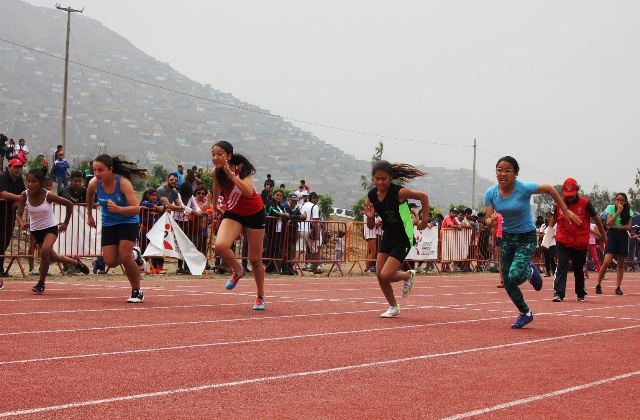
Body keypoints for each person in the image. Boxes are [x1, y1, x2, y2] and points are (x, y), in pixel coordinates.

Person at [484, 156, 580, 329]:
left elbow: (550, 189)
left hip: (526, 237)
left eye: (508, 170)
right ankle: (525, 313)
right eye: (499, 170)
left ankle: (529, 270)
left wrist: (564, 210)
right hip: (507, 238)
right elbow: (488, 219)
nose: (503, 174)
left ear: (516, 174)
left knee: (514, 275)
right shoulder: (491, 193)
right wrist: (490, 221)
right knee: (508, 281)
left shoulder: (523, 188)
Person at [362, 160, 430, 318]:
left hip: (403, 237)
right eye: (377, 178)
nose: (380, 182)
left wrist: (424, 219)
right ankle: (393, 306)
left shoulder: (399, 192)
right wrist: (371, 218)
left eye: (383, 179)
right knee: (379, 275)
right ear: (373, 178)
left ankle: (408, 275)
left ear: (390, 178)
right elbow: (371, 226)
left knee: (386, 275)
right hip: (388, 236)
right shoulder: (372, 195)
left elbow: (423, 197)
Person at [210, 140, 266, 310]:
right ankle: (238, 270)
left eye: (220, 154)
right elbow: (216, 186)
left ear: (229, 156)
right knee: (220, 246)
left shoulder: (241, 168)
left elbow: (249, 192)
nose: (216, 157)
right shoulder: (215, 172)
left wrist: (232, 175)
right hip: (234, 213)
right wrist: (214, 206)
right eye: (213, 154)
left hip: (255, 213)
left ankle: (260, 296)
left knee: (255, 260)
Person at [86, 154, 147, 303]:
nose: (97, 174)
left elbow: (136, 208)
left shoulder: (123, 183)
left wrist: (119, 209)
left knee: (124, 256)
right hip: (109, 222)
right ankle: (135, 254)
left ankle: (137, 291)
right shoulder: (94, 183)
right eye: (94, 170)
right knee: (111, 261)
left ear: (110, 169)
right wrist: (89, 215)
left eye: (100, 170)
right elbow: (89, 195)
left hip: (128, 221)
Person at [16, 169, 90, 293]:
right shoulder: (25, 195)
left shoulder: (48, 195)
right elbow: (19, 214)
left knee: (44, 251)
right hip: (36, 230)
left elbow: (69, 205)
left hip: (50, 228)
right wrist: (22, 223)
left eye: (33, 181)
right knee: (53, 256)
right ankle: (75, 262)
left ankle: (41, 283)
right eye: (28, 181)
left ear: (41, 183)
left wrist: (66, 223)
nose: (30, 184)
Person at [548, 178, 606, 302]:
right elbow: (554, 218)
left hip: (579, 242)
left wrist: (603, 234)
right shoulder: (559, 203)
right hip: (563, 240)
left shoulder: (585, 203)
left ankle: (580, 291)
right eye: (566, 195)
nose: (569, 198)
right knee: (562, 265)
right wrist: (548, 234)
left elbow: (596, 219)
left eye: (572, 195)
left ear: (577, 191)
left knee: (578, 268)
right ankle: (558, 293)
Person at [595, 193, 633, 295]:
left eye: (622, 200)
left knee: (621, 262)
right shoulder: (610, 208)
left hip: (622, 236)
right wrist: (618, 212)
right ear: (615, 200)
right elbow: (609, 223)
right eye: (617, 199)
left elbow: (628, 227)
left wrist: (617, 227)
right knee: (607, 260)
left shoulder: (628, 210)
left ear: (625, 202)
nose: (619, 201)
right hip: (612, 235)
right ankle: (598, 284)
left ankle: (618, 287)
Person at [0, 159, 26, 286]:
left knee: (6, 240)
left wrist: (19, 201)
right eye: (15, 167)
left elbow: (25, 194)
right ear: (8, 167)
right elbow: (4, 194)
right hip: (1, 212)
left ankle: (0, 268)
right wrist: (21, 199)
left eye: (20, 167)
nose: (18, 170)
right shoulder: (3, 177)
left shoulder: (20, 179)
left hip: (10, 214)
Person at [139, 188, 167, 274]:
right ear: (148, 196)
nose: (155, 197)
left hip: (155, 230)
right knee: (143, 248)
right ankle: (141, 267)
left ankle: (157, 267)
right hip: (145, 229)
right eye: (152, 195)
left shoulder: (158, 203)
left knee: (157, 248)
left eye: (156, 195)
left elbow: (165, 205)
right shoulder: (144, 203)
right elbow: (145, 203)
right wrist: (156, 207)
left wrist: (162, 206)